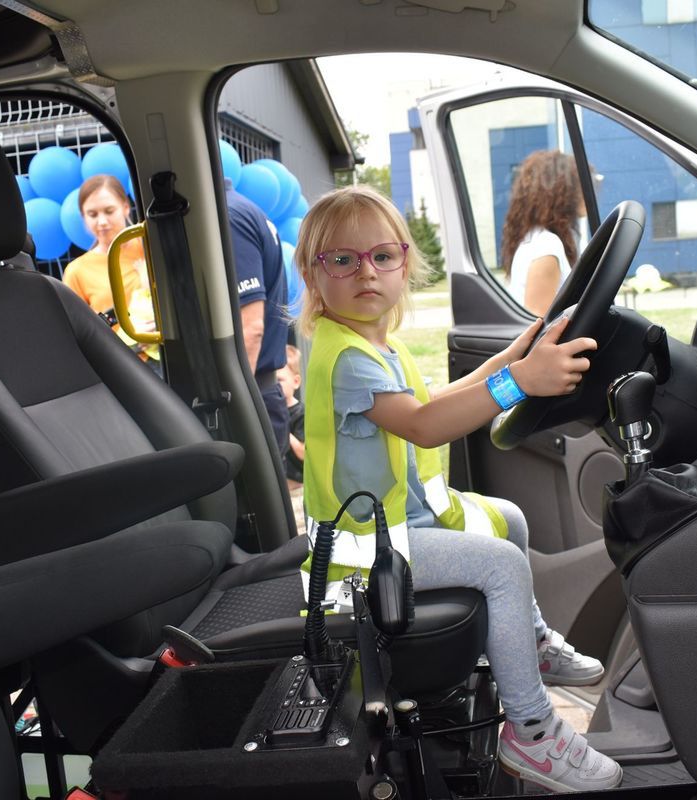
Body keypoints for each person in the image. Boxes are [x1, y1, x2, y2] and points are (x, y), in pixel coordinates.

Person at [294, 186, 621, 793]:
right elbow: (424, 426)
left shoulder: (374, 345)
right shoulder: (344, 359)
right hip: (362, 554)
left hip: (400, 529)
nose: (365, 272)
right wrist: (520, 383)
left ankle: (532, 642)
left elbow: (432, 401)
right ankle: (531, 731)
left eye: (382, 257)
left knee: (509, 519)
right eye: (342, 260)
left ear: (404, 268)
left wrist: (513, 358)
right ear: (315, 278)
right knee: (500, 564)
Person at [63, 174, 161, 367]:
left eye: (109, 211)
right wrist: (129, 343)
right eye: (92, 215)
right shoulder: (77, 271)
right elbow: (75, 333)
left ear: (125, 207)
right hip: (118, 367)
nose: (102, 222)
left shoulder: (150, 247)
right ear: (83, 217)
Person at [227, 182, 290, 464]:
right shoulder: (239, 207)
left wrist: (237, 406)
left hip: (251, 394)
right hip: (259, 391)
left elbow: (251, 327)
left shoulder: (228, 216)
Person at [501, 150, 587, 315]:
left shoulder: (535, 238)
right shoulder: (547, 246)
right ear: (560, 191)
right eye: (579, 184)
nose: (586, 191)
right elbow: (538, 324)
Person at [277, 343, 306, 487]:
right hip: (282, 488)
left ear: (296, 382)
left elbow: (303, 453)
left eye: (279, 380)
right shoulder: (272, 412)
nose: (275, 386)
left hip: (298, 488)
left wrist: (281, 430)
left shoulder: (301, 413)